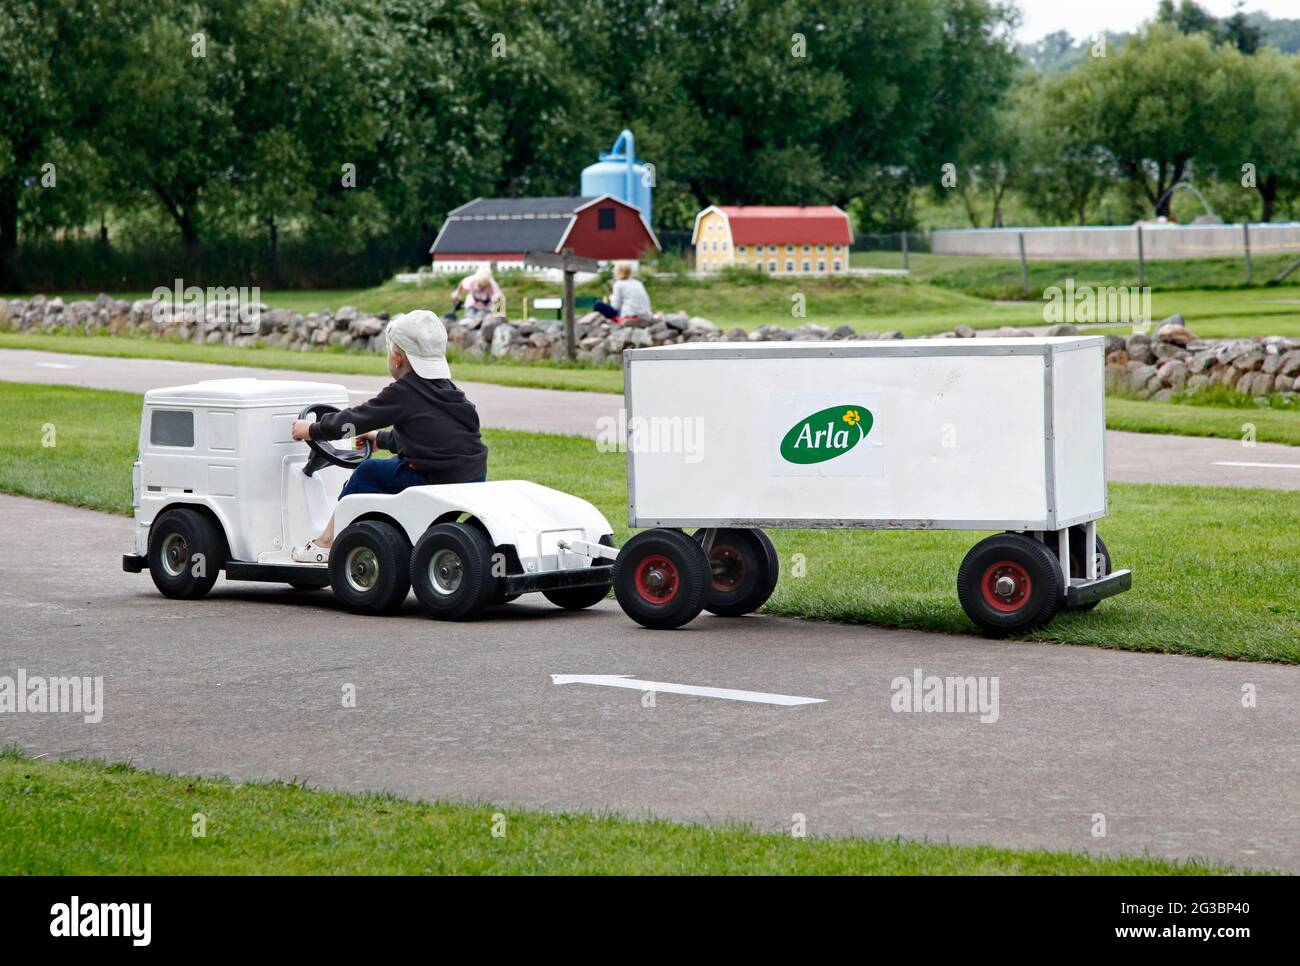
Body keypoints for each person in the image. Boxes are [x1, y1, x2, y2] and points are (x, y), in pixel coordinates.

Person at [289, 310, 489, 562]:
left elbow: (356, 418)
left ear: (396, 357)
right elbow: (426, 438)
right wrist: (378, 439)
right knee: (393, 467)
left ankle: (326, 543)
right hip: (470, 476)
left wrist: (312, 430)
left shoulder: (404, 391)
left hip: (433, 479)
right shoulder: (450, 391)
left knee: (366, 472)